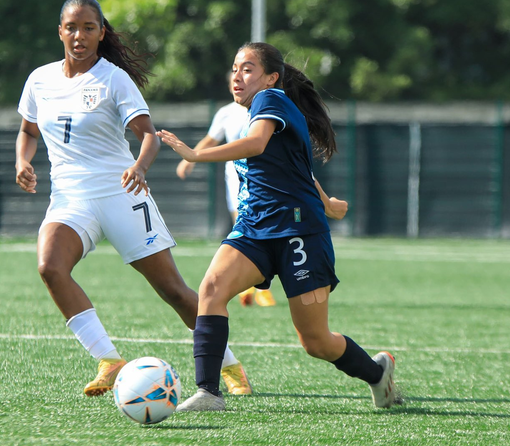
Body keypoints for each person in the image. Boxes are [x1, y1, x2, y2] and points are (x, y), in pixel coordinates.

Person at [14, 0, 252, 398]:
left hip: (121, 193)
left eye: (89, 28)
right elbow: (28, 131)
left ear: (101, 32)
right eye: (72, 27)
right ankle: (108, 359)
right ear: (60, 31)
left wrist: (139, 167)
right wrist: (22, 161)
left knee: (173, 290)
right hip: (71, 199)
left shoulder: (113, 79)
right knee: (49, 266)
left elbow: (147, 135)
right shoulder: (40, 80)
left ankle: (229, 365)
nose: (79, 35)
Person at [157, 42, 397, 412]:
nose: (238, 76)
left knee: (316, 342)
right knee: (211, 288)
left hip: (299, 235)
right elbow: (296, 166)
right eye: (235, 68)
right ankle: (208, 392)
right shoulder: (260, 109)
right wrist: (328, 200)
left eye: (248, 68)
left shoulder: (272, 100)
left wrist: (196, 154)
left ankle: (377, 373)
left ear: (271, 78)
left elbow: (254, 145)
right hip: (254, 228)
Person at [176, 75, 277, 308]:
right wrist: (189, 159)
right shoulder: (226, 112)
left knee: (263, 231)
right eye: (234, 74)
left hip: (263, 180)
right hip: (236, 179)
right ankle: (252, 286)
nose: (238, 79)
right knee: (243, 229)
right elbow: (211, 139)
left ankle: (258, 286)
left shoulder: (265, 109)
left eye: (245, 72)